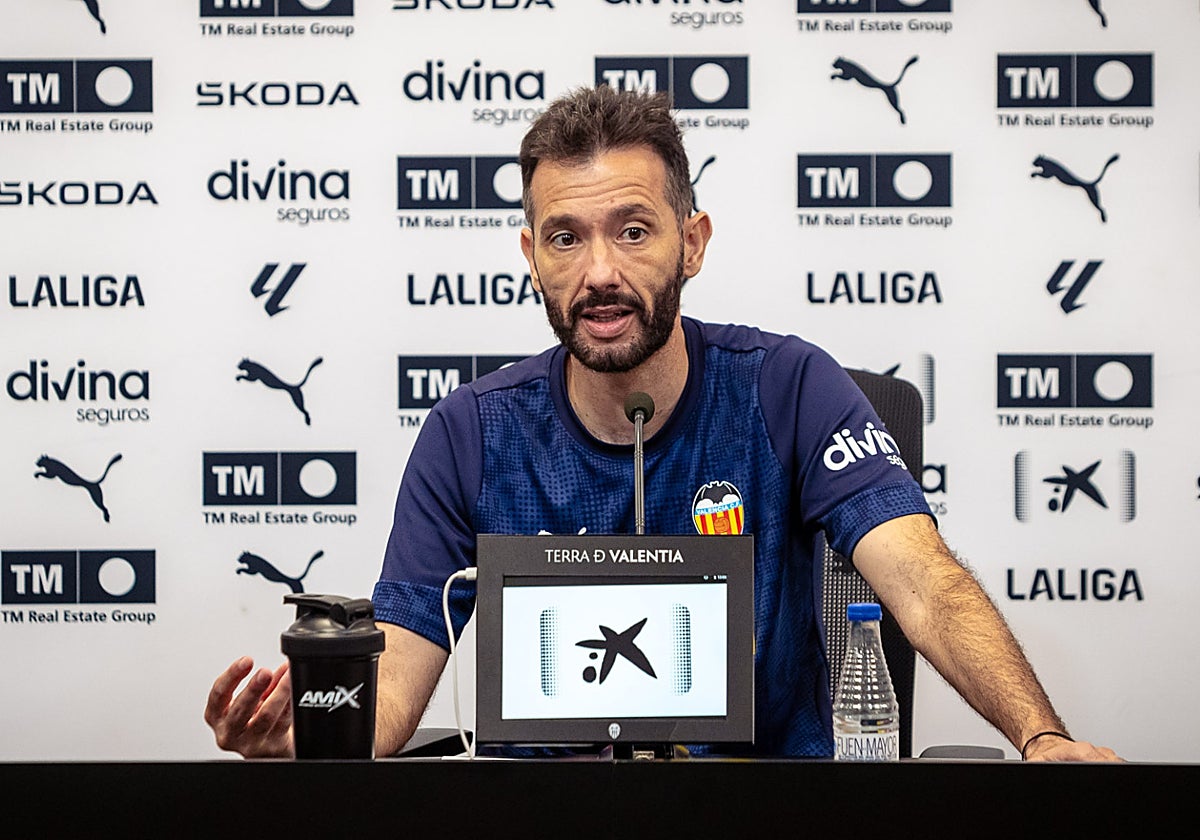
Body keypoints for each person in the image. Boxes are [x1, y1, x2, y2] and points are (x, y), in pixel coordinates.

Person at [206, 86, 1120, 762]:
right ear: (531, 257)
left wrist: (1040, 738)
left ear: (694, 240)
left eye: (634, 230)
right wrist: (315, 736)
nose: (599, 270)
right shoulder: (470, 432)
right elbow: (400, 673)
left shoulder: (790, 388)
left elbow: (921, 580)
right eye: (565, 237)